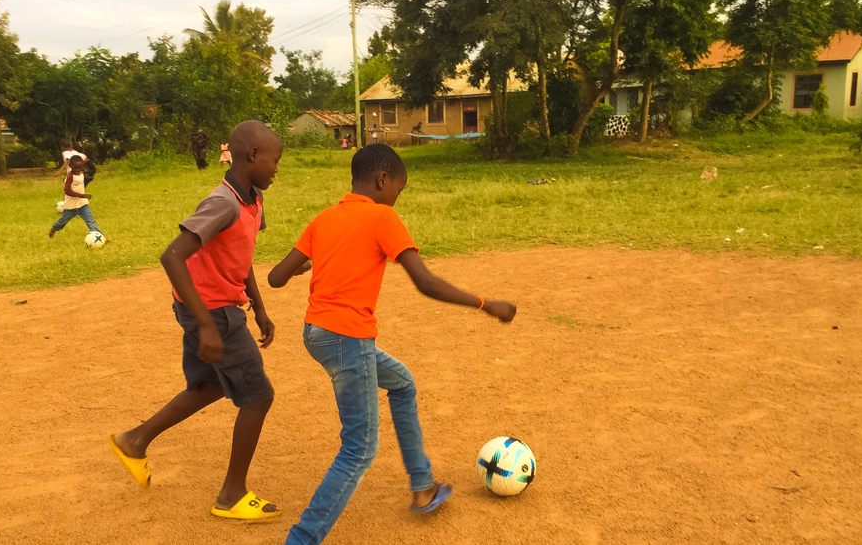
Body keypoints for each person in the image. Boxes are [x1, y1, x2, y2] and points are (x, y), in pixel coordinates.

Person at [268, 144, 518, 544]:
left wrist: (309, 265)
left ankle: (423, 486)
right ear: (383, 180)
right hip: (347, 337)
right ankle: (300, 540)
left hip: (316, 333)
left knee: (402, 383)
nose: (397, 197)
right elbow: (426, 282)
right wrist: (487, 304)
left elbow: (276, 277)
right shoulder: (382, 216)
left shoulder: (325, 218)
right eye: (399, 189)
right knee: (359, 448)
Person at [109, 120, 288, 521]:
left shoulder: (254, 199)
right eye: (275, 160)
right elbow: (172, 256)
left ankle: (135, 440)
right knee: (258, 397)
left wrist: (259, 307)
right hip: (213, 311)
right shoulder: (223, 203)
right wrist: (206, 324)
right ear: (252, 156)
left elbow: (240, 257)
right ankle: (231, 495)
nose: (277, 168)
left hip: (214, 307)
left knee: (210, 385)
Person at [48, 155, 103, 238]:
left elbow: (89, 167)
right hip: (71, 206)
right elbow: (67, 191)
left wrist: (87, 161)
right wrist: (82, 195)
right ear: (70, 166)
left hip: (82, 204)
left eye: (80, 168)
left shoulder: (82, 172)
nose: (77, 170)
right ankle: (54, 228)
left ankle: (100, 237)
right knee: (63, 221)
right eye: (75, 168)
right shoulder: (70, 177)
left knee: (91, 221)